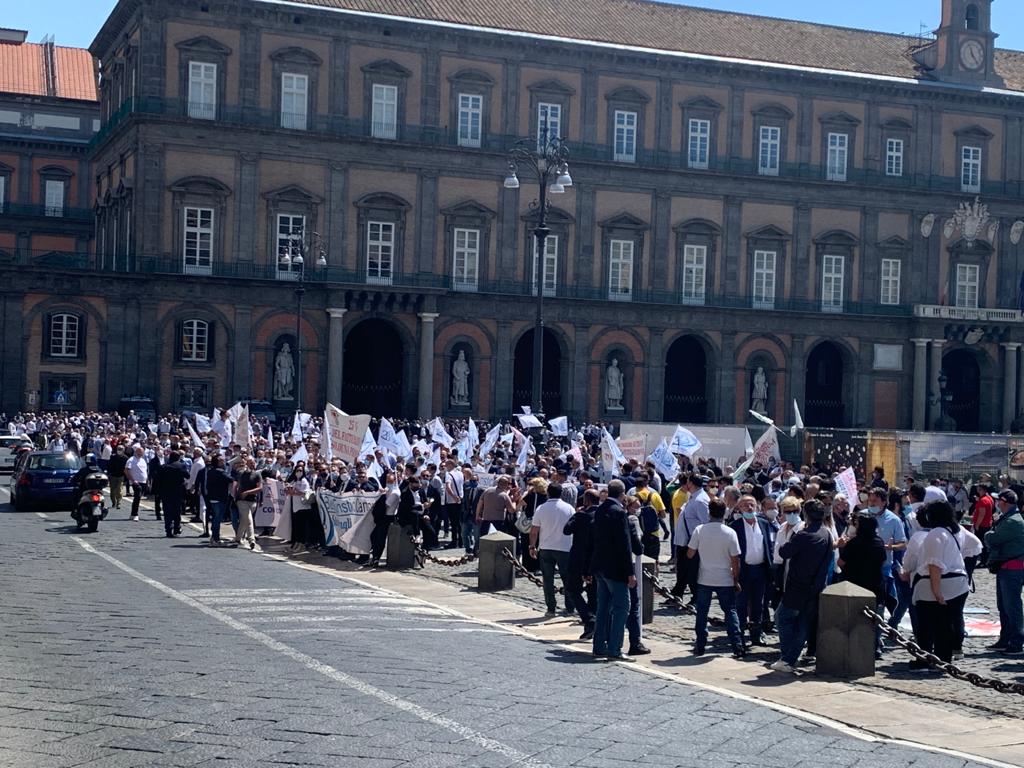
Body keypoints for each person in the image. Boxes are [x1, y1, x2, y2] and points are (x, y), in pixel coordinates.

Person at [907, 501, 980, 668]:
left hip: (939, 584)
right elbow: (976, 545)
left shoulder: (936, 533)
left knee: (927, 624)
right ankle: (944, 658)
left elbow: (935, 565)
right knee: (947, 624)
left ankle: (926, 659)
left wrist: (936, 590)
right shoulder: (956, 530)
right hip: (958, 584)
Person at [772, 499, 833, 674]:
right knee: (803, 623)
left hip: (797, 586)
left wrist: (789, 540)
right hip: (816, 586)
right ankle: (790, 656)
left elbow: (784, 552)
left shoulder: (803, 535)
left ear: (806, 514)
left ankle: (787, 657)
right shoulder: (826, 533)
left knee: (782, 617)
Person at [688, 497, 744, 657]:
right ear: (724, 512)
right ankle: (737, 645)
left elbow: (690, 554)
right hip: (725, 578)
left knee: (702, 612)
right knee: (730, 611)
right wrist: (736, 580)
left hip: (705, 577)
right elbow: (735, 560)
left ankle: (700, 645)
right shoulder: (730, 532)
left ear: (709, 512)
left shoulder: (700, 530)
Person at [589, 480, 636, 661]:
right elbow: (624, 545)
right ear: (622, 494)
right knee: (622, 607)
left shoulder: (600, 509)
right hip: (615, 568)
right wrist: (629, 572)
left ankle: (599, 645)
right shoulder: (619, 512)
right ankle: (615, 648)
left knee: (603, 608)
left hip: (600, 565)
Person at [838, 513, 887, 658]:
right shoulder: (879, 542)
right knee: (876, 618)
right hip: (875, 585)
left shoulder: (854, 543)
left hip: (855, 585)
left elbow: (840, 563)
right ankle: (875, 645)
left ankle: (854, 644)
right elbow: (883, 561)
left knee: (854, 617)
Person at [730, 494, 774, 647]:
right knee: (741, 603)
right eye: (745, 505)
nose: (749, 508)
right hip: (744, 570)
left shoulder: (764, 523)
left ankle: (756, 634)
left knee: (758, 604)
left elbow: (769, 545)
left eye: (752, 505)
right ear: (739, 509)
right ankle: (740, 633)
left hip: (760, 569)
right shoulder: (735, 527)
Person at [985, 489, 1024, 655]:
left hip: (1012, 568)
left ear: (1004, 502)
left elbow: (993, 538)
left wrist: (988, 533)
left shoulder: (1012, 521)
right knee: (1004, 606)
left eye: (998, 501)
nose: (997, 504)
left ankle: (1016, 641)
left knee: (1012, 606)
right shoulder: (1008, 518)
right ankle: (1006, 638)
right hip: (1005, 567)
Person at [529, 482, 576, 616]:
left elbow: (534, 531)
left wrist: (532, 546)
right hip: (565, 547)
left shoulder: (541, 508)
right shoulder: (569, 509)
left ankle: (551, 608)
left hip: (546, 547)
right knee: (567, 579)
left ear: (548, 493)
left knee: (547, 580)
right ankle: (570, 607)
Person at [564, 488, 599, 640]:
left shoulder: (581, 515)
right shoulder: (602, 515)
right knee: (593, 595)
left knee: (572, 590)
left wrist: (577, 514)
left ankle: (589, 620)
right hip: (595, 559)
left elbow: (566, 530)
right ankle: (593, 625)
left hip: (579, 558)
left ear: (586, 501)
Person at [671, 473, 709, 602]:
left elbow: (705, 523)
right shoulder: (693, 497)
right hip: (684, 542)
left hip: (692, 543)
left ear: (691, 483)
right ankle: (677, 593)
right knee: (682, 570)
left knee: (692, 572)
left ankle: (697, 597)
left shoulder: (700, 501)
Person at [154, 451, 189, 538]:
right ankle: (177, 528)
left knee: (167, 511)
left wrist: (157, 491)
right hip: (178, 491)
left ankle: (168, 529)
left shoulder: (164, 467)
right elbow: (187, 475)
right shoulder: (181, 466)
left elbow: (158, 480)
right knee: (177, 510)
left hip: (166, 492)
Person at [203, 454, 234, 546]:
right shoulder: (221, 472)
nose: (223, 462)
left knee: (216, 517)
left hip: (212, 497)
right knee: (217, 518)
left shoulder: (210, 471)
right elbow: (231, 479)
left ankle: (214, 537)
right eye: (222, 460)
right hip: (220, 498)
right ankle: (216, 539)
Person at [233, 456, 262, 550]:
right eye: (250, 462)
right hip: (242, 500)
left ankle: (238, 538)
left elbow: (260, 488)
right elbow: (235, 485)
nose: (252, 464)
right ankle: (251, 539)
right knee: (249, 520)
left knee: (244, 520)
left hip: (252, 500)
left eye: (253, 462)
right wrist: (235, 496)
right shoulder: (241, 473)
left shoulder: (257, 475)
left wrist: (248, 492)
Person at [124, 445, 148, 522]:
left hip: (143, 481)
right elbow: (127, 470)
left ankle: (132, 514)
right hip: (136, 482)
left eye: (141, 452)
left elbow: (145, 471)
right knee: (137, 497)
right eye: (139, 452)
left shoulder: (143, 460)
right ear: (135, 452)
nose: (140, 454)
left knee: (139, 497)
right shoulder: (131, 460)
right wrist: (132, 480)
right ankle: (135, 514)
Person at [107, 445, 128, 510]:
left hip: (120, 476)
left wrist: (126, 478)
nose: (119, 450)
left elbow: (126, 468)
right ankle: (114, 502)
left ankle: (118, 502)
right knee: (112, 490)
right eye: (118, 449)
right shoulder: (113, 457)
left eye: (121, 449)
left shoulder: (125, 458)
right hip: (113, 476)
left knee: (119, 490)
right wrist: (109, 474)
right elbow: (109, 466)